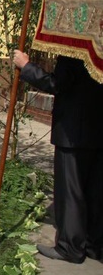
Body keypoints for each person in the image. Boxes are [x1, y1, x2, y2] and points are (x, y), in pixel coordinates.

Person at [13, 50, 103, 263]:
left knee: (71, 191)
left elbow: (57, 84)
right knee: (95, 191)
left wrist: (27, 67)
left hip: (73, 131)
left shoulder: (76, 48)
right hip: (98, 128)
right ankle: (94, 244)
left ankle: (70, 246)